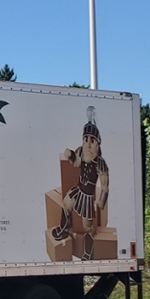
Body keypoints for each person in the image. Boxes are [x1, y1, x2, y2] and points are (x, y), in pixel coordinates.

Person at [51, 106, 109, 260]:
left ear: (97, 143)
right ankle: (63, 229)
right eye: (85, 140)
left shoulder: (100, 163)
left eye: (91, 141)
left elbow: (104, 185)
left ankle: (87, 253)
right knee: (66, 204)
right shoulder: (81, 153)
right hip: (79, 189)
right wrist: (70, 155)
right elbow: (76, 163)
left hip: (88, 197)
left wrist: (101, 202)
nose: (88, 144)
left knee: (87, 227)